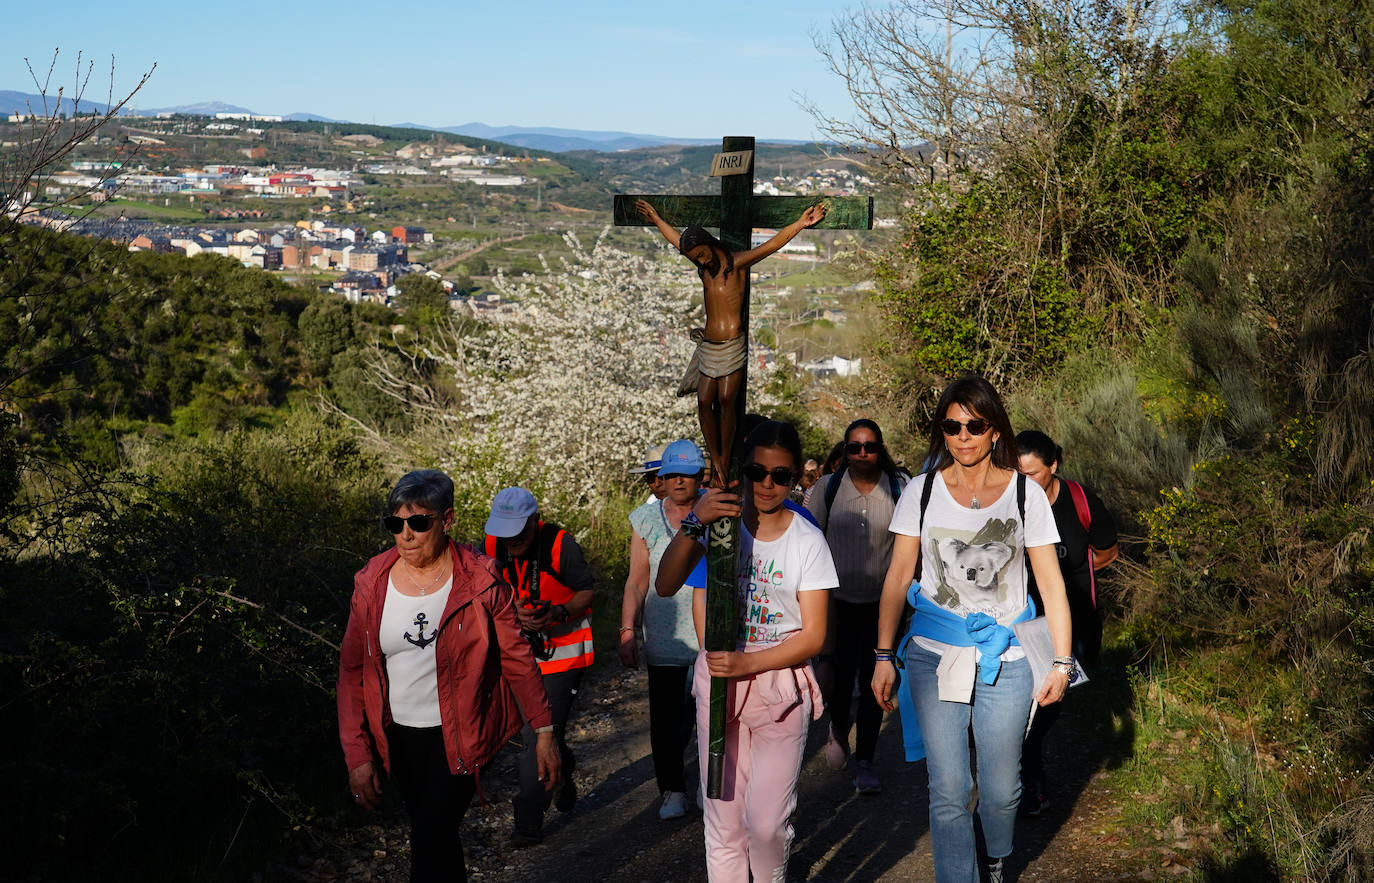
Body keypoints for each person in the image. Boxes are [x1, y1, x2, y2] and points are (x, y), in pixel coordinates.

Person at [872, 376, 1075, 883]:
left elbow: (1051, 585)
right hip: (934, 654)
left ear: (994, 430)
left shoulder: (1025, 495)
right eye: (952, 426)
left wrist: (1061, 662)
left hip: (1006, 658)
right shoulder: (920, 492)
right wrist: (881, 656)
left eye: (974, 425)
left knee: (1003, 790)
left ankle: (998, 855)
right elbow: (898, 578)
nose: (963, 436)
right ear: (942, 431)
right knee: (948, 790)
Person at [338, 469, 559, 883]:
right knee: (437, 834)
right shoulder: (371, 583)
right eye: (395, 524)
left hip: (462, 730)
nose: (406, 535)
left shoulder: (480, 579)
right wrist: (357, 754)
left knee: (429, 836)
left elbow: (516, 658)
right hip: (399, 737)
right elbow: (352, 672)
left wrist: (544, 730)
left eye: (419, 523)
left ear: (448, 519)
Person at [656, 420, 836, 882]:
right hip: (718, 682)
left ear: (796, 477)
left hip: (779, 685)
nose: (768, 484)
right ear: (742, 472)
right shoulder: (719, 529)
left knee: (766, 824)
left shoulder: (807, 539)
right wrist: (697, 518)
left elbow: (814, 635)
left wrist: (748, 662)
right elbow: (666, 583)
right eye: (757, 472)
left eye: (781, 475)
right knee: (723, 821)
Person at [636, 198, 828, 488]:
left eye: (701, 254)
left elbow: (772, 245)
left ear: (710, 245)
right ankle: (718, 461)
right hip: (709, 345)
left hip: (732, 345)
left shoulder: (736, 264)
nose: (700, 260)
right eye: (695, 257)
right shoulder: (704, 269)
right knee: (704, 401)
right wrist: (657, 220)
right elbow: (678, 240)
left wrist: (801, 224)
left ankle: (724, 464)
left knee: (726, 401)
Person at [483, 487, 596, 847]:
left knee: (537, 734)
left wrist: (558, 613)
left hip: (564, 654)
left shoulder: (561, 544)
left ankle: (527, 823)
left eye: (520, 531)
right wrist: (513, 611)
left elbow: (588, 590)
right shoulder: (492, 544)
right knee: (546, 735)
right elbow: (486, 591)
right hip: (520, 656)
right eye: (506, 531)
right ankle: (561, 772)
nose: (512, 540)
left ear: (535, 520)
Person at [1015, 429, 1120, 817]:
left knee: (1048, 702)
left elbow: (1108, 550)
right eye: (1017, 474)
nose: (1023, 483)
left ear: (1054, 465)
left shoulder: (1078, 500)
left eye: (1032, 474)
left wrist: (1064, 576)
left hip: (1074, 621)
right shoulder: (1010, 502)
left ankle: (1027, 768)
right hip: (1023, 620)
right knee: (1028, 703)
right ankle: (1030, 778)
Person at [806, 418, 907, 795]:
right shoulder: (826, 490)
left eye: (870, 446)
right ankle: (836, 727)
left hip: (883, 606)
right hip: (835, 603)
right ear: (845, 451)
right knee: (839, 675)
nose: (862, 453)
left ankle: (865, 759)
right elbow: (808, 541)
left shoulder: (900, 489)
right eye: (854, 447)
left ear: (881, 449)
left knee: (874, 681)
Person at [621, 439, 708, 820]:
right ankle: (671, 788)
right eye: (670, 474)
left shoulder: (717, 511)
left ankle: (711, 786)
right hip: (664, 635)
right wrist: (627, 629)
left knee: (709, 716)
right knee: (666, 720)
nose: (677, 481)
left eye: (685, 475)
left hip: (710, 635)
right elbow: (637, 580)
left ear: (699, 476)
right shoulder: (644, 520)